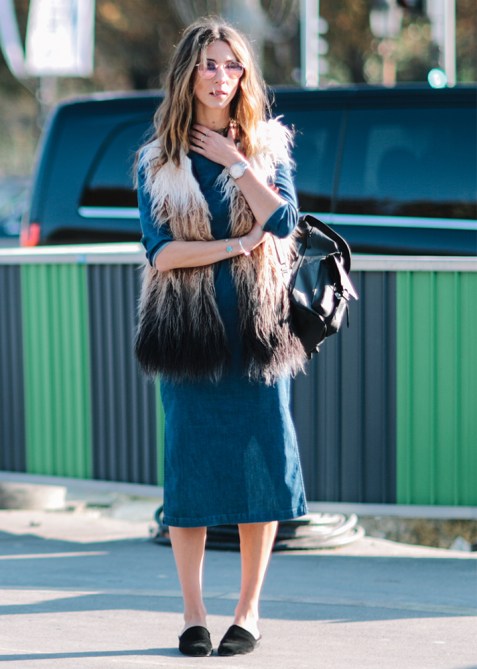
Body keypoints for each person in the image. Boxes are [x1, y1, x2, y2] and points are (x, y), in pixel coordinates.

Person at [135, 17, 308, 658]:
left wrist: (236, 163)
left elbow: (282, 219)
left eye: (232, 65)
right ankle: (193, 613)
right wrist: (236, 245)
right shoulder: (159, 159)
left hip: (258, 332)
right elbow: (161, 253)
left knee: (260, 465)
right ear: (188, 73)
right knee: (190, 471)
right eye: (209, 63)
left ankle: (249, 609)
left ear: (243, 76)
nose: (221, 76)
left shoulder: (266, 145)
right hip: (188, 334)